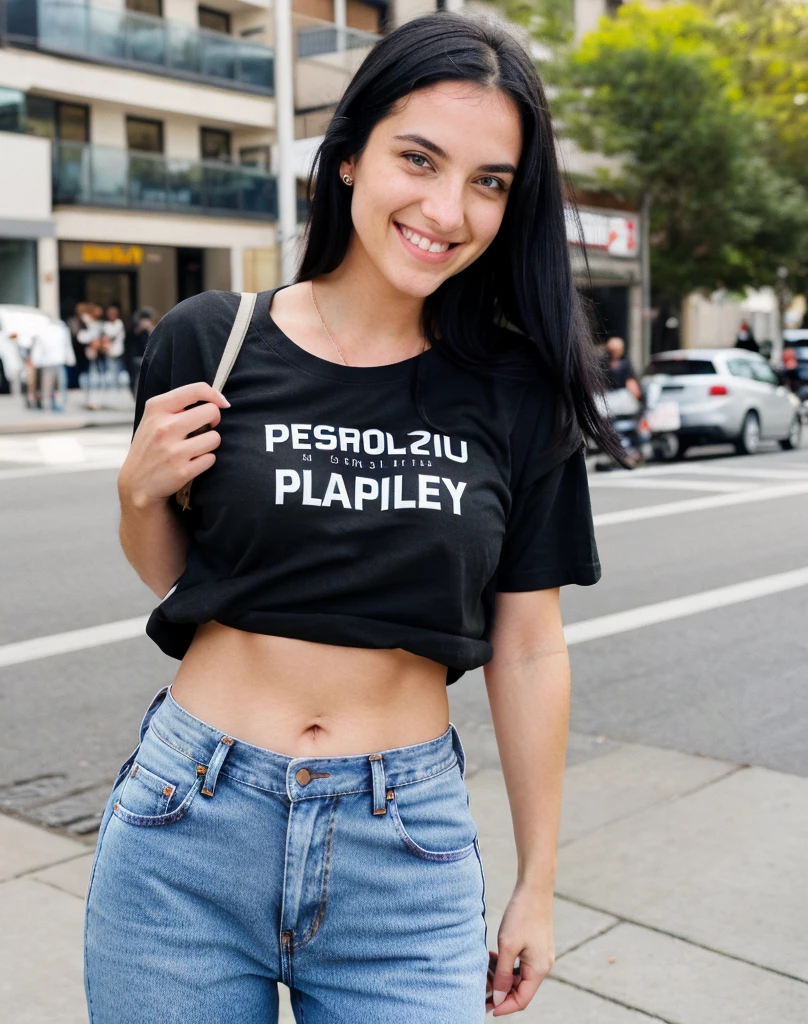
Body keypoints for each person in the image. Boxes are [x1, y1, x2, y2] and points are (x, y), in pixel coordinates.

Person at [88, 12, 619, 1024]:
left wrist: (537, 883)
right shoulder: (215, 337)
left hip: (403, 847)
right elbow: (178, 578)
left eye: (488, 181)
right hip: (185, 827)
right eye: (417, 159)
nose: (446, 208)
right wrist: (136, 492)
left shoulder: (516, 392)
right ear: (347, 157)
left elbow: (530, 648)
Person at [125, 306, 154, 397]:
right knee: (134, 379)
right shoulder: (133, 329)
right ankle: (135, 396)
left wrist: (150, 330)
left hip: (147, 358)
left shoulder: (152, 329)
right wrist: (139, 330)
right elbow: (129, 343)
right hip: (134, 358)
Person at [601, 335, 641, 400]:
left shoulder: (625, 362)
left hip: (621, 394)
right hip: (607, 395)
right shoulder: (603, 362)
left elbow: (630, 380)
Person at [103, 304, 126, 390]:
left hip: (118, 351)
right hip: (109, 351)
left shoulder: (119, 323)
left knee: (118, 370)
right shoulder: (106, 324)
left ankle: (118, 386)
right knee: (110, 370)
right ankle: (112, 387)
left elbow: (112, 336)